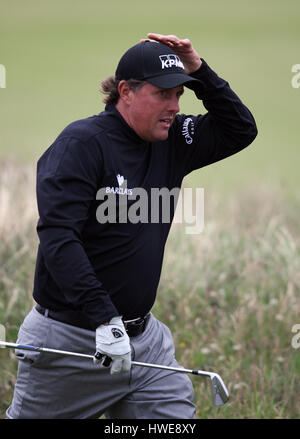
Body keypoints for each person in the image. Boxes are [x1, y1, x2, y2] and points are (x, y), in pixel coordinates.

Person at [6, 33, 257, 419]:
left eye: (179, 95)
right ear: (125, 91)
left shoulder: (173, 140)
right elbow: (59, 239)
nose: (174, 106)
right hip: (71, 343)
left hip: (145, 345)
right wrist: (104, 318)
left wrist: (198, 70)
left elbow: (241, 128)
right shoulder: (81, 144)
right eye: (162, 94)